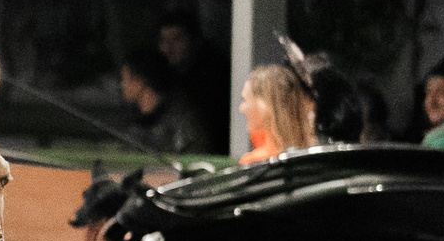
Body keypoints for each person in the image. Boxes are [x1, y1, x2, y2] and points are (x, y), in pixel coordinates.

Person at [157, 8, 229, 146]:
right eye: (164, 40)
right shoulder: (168, 75)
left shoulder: (212, 75)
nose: (168, 47)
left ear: (194, 40)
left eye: (176, 39)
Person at [117, 49, 210, 155]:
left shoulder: (182, 121)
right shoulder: (134, 122)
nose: (122, 85)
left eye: (124, 79)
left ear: (140, 81)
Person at [237, 61, 313, 164]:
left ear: (264, 106)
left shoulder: (254, 162)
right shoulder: (316, 156)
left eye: (246, 100)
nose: (241, 108)